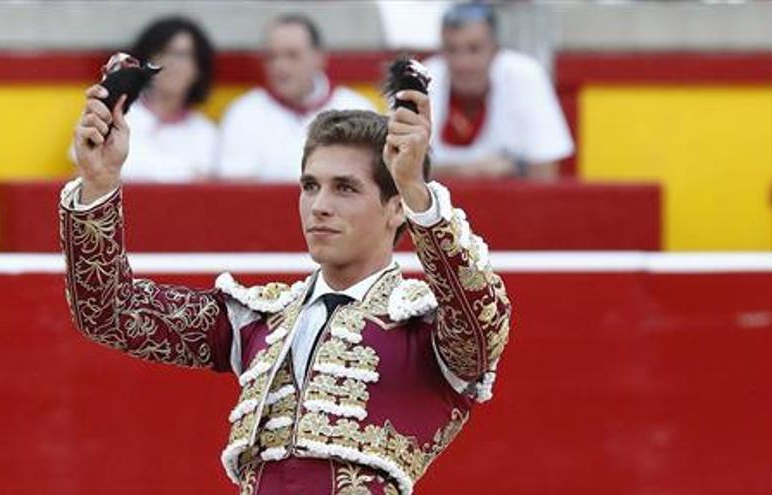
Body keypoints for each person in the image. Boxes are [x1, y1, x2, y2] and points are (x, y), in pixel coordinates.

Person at [61, 77, 511, 494]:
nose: (319, 207)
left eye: (345, 189)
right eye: (310, 186)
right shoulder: (259, 318)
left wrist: (418, 191)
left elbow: (477, 309)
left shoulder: (425, 325)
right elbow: (112, 312)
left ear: (396, 209)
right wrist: (98, 182)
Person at [217, 14, 375, 182]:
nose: (280, 66)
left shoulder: (356, 109)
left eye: (292, 55)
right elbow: (237, 190)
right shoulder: (244, 113)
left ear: (319, 57)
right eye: (272, 57)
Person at [425, 2, 574, 180]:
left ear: (495, 50)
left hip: (513, 204)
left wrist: (442, 171)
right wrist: (473, 172)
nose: (462, 63)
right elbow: (393, 170)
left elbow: (546, 171)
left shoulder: (525, 75)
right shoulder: (422, 79)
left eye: (474, 49)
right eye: (452, 50)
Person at [76, 16, 218, 182]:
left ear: (198, 69)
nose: (170, 63)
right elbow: (82, 180)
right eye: (161, 53)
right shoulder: (108, 113)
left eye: (182, 55)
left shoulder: (206, 133)